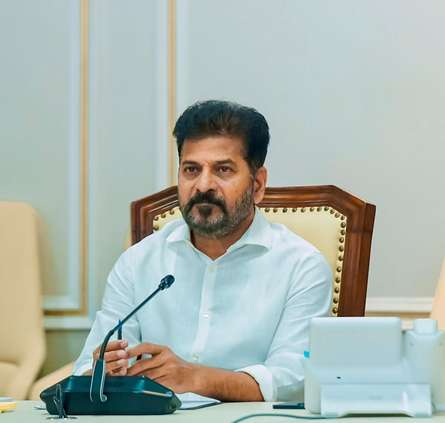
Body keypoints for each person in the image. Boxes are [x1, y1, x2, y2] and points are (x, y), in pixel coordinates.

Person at [73, 100, 332, 402]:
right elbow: (87, 368)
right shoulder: (138, 261)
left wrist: (195, 378)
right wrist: (101, 374)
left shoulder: (302, 266)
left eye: (223, 169)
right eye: (191, 170)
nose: (203, 185)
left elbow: (293, 381)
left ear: (258, 185)